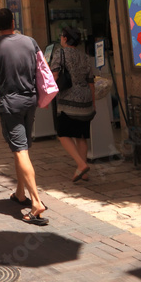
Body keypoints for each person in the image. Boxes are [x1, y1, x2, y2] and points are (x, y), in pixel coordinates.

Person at [0, 8, 48, 225]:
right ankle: (20, 193)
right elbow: (41, 68)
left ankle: (36, 202)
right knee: (23, 148)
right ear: (13, 21)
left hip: (10, 103)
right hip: (30, 100)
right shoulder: (30, 41)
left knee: (20, 150)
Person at [49, 27, 96, 182]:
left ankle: (81, 164)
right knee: (81, 136)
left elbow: (54, 75)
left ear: (64, 38)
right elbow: (91, 82)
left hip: (68, 100)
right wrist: (93, 103)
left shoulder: (60, 54)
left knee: (63, 134)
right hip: (85, 100)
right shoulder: (85, 57)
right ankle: (83, 171)